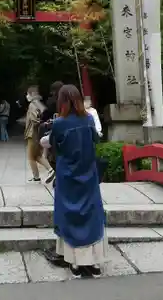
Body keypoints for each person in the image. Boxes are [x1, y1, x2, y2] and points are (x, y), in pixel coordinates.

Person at [41, 84, 107, 278]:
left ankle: (75, 263)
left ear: (61, 101)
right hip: (88, 174)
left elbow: (52, 144)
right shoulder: (88, 119)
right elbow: (96, 139)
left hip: (67, 176)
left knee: (69, 214)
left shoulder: (60, 123)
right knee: (91, 214)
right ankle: (94, 263)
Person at [24, 86, 52, 182]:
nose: (27, 96)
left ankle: (50, 170)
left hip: (32, 133)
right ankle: (37, 176)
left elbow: (34, 119)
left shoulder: (32, 104)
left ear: (31, 95)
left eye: (27, 94)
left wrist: (38, 122)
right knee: (36, 155)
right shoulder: (39, 104)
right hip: (38, 132)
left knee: (31, 156)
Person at [39, 81, 64, 184]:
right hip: (68, 131)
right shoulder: (68, 101)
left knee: (52, 152)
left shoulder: (52, 101)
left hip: (55, 130)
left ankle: (57, 173)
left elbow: (45, 115)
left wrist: (45, 122)